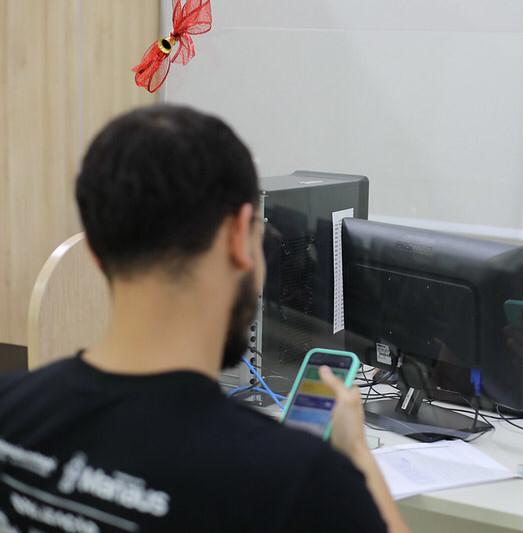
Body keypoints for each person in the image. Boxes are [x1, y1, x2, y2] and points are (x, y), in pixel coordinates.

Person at [0, 105, 408, 532]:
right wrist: (357, 453)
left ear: (97, 256)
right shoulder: (297, 481)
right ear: (238, 238)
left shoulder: (10, 412)